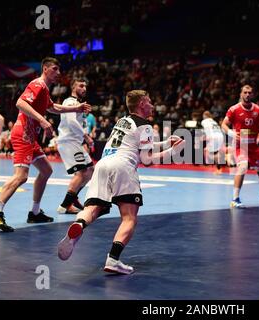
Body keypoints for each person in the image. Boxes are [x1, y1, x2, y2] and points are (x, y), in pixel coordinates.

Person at [57, 90, 185, 274]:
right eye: (149, 101)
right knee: (129, 217)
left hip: (103, 165)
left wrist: (165, 143)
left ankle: (79, 225)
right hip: (123, 166)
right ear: (141, 103)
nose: (152, 105)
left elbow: (136, 143)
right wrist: (173, 151)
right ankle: (113, 260)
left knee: (92, 209)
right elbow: (147, 160)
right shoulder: (146, 126)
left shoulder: (122, 121)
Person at [0, 57, 91, 232]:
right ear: (46, 69)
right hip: (23, 134)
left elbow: (53, 108)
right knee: (21, 176)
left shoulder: (45, 90)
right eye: (55, 69)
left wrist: (75, 108)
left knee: (46, 170)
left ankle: (34, 212)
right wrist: (42, 121)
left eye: (59, 69)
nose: (58, 73)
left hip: (31, 137)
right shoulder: (38, 84)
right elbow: (20, 102)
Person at [221, 85, 259, 208]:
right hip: (241, 144)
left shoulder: (258, 110)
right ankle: (235, 199)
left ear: (253, 94)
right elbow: (224, 125)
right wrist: (231, 132)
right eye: (245, 92)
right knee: (243, 166)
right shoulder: (234, 109)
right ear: (241, 94)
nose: (247, 95)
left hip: (253, 145)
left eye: (249, 93)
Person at [56, 78, 94, 214]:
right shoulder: (70, 102)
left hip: (74, 142)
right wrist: (86, 137)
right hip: (68, 141)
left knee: (90, 170)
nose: (84, 88)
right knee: (82, 172)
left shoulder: (78, 104)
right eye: (81, 85)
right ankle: (64, 206)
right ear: (73, 87)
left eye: (85, 86)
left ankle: (73, 198)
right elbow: (71, 122)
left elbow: (79, 122)